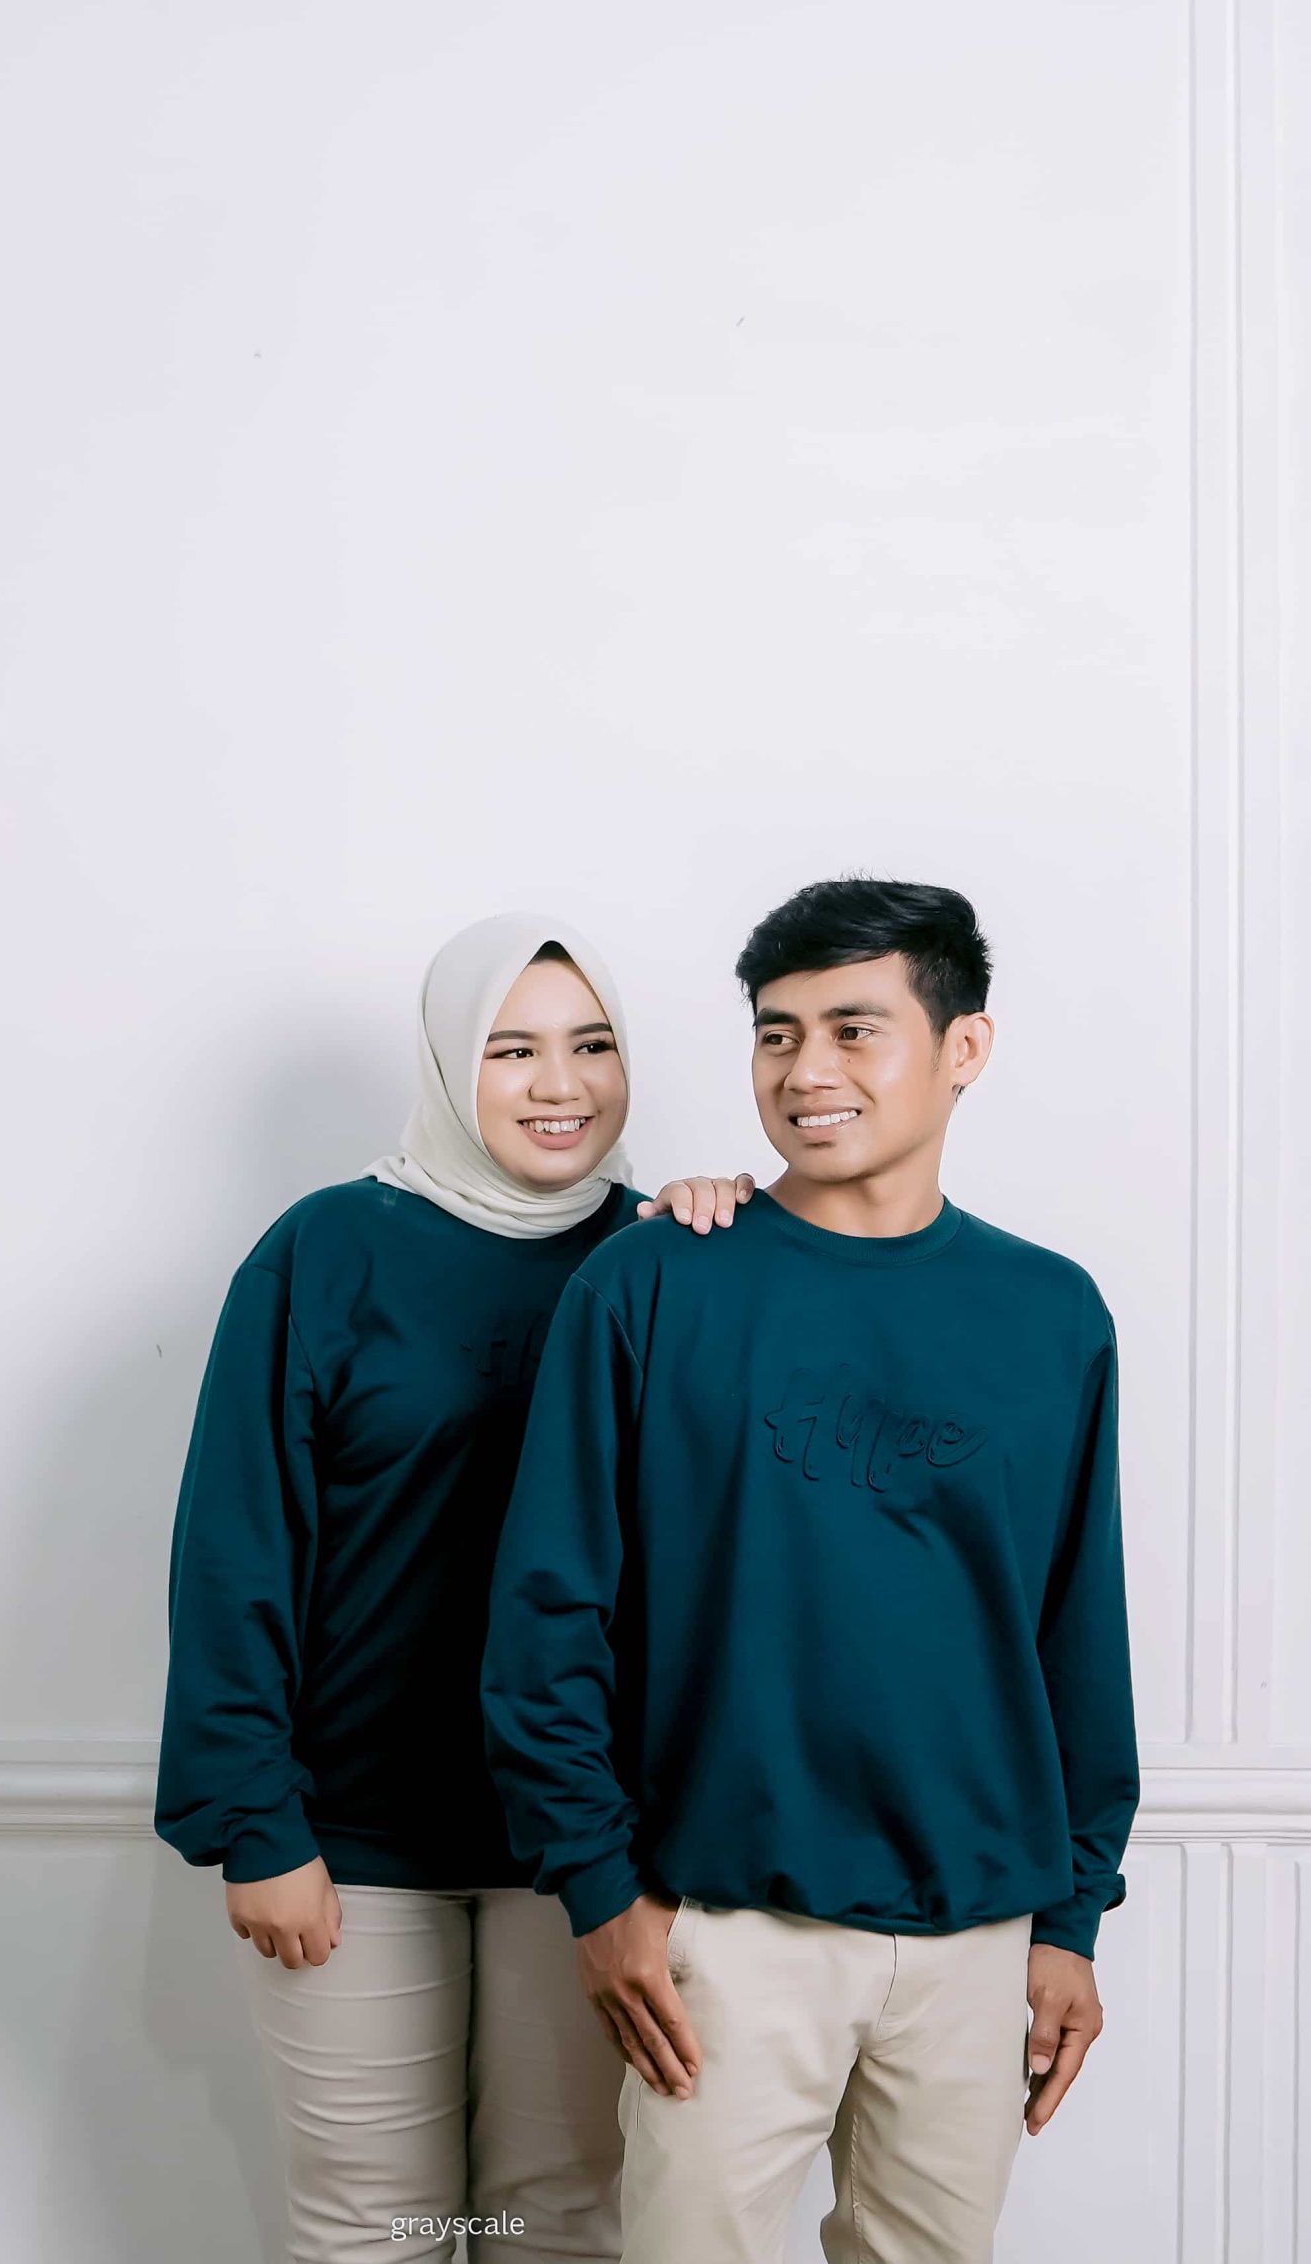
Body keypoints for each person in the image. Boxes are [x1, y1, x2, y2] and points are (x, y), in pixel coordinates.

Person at [480, 878, 1139, 2264]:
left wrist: (1072, 1918)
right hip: (722, 1930)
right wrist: (601, 1892)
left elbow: (1077, 1635)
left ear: (964, 1048)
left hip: (978, 1934)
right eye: (776, 1035)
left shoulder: (1052, 1313)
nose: (805, 1071)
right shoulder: (654, 1282)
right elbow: (547, 1612)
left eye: (854, 1029)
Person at [154, 911, 754, 2264]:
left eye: (593, 1045)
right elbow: (236, 1550)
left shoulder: (670, 1259)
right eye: (512, 1050)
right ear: (444, 1062)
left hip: (593, 1848)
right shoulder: (326, 1252)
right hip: (351, 1843)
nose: (561, 1085)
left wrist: (742, 1232)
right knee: (379, 2228)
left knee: (560, 2222)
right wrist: (256, 1824)